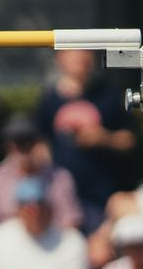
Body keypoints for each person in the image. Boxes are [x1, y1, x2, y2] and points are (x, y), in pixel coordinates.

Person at [36, 48, 137, 233]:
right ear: (60, 59)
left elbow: (130, 140)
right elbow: (41, 146)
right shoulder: (49, 100)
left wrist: (104, 138)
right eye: (74, 53)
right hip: (62, 200)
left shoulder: (109, 95)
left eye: (85, 53)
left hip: (105, 197)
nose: (81, 58)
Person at [0, 114, 81, 237]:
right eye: (16, 142)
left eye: (28, 141)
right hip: (6, 249)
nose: (22, 149)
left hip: (49, 247)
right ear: (7, 146)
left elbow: (71, 225)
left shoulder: (61, 178)